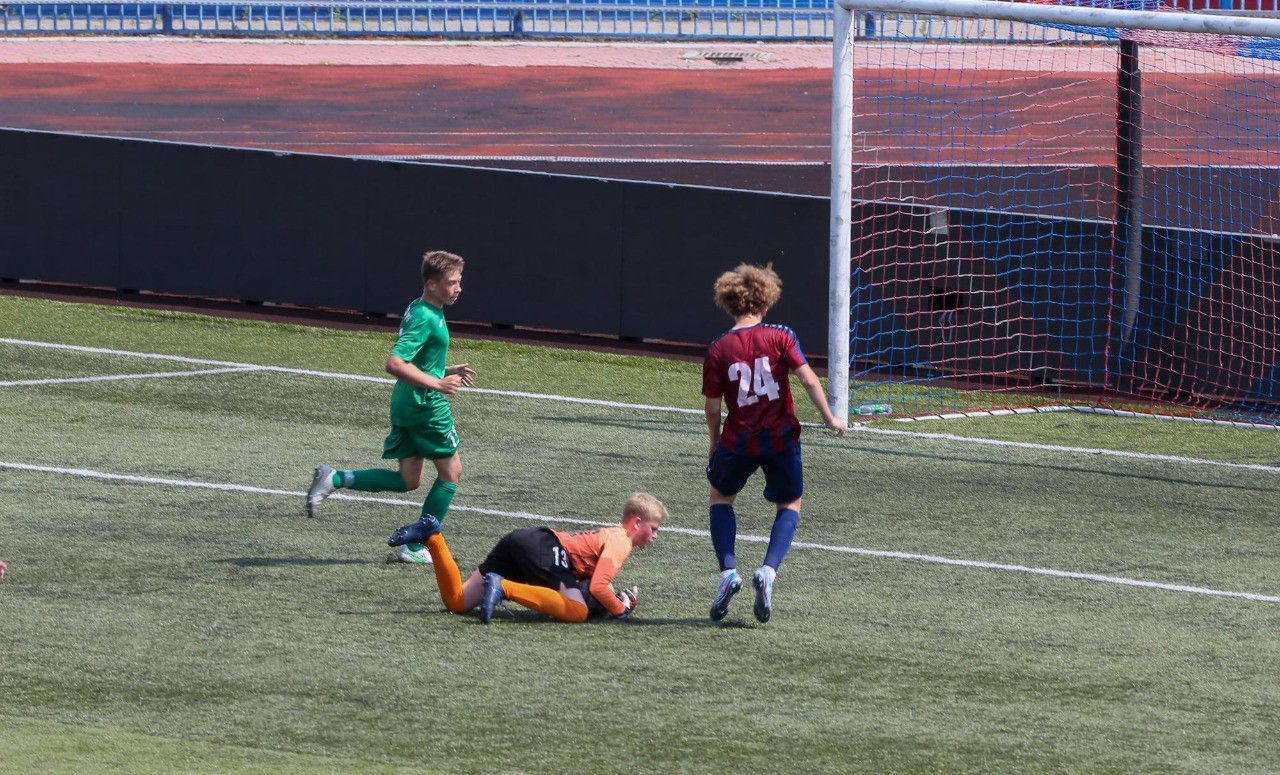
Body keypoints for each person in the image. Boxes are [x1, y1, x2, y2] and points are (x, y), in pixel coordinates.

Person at [306, 250, 476, 565]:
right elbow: (395, 363)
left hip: (406, 402)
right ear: (432, 284)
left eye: (459, 281)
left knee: (408, 480)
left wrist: (444, 370)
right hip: (426, 406)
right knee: (451, 472)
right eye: (452, 282)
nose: (458, 288)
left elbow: (417, 361)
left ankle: (334, 478)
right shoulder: (426, 317)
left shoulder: (422, 307)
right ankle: (416, 547)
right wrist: (438, 384)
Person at [702, 263, 845, 624]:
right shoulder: (781, 336)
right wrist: (830, 418)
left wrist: (714, 443)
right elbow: (809, 380)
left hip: (738, 439)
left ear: (729, 304)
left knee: (720, 497)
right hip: (781, 438)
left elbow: (713, 408)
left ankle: (728, 573)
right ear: (765, 303)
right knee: (789, 503)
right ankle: (767, 572)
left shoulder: (718, 348)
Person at [390, 492, 667, 623]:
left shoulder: (614, 535)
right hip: (545, 547)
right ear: (637, 523)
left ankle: (433, 538)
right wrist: (620, 609)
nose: (654, 536)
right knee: (577, 611)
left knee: (457, 601)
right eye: (653, 528)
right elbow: (598, 587)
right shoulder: (622, 541)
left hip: (523, 540)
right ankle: (503, 587)